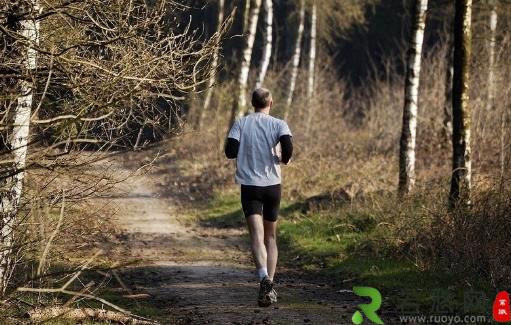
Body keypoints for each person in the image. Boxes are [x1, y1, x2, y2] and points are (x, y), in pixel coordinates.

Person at [225, 88, 293, 307]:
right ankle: (270, 284)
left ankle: (263, 278)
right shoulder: (279, 123)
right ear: (270, 103)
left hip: (250, 187)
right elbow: (289, 148)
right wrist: (283, 158)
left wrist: (245, 149)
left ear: (252, 102)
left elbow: (230, 151)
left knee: (256, 234)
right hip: (272, 185)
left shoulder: (241, 123)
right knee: (270, 237)